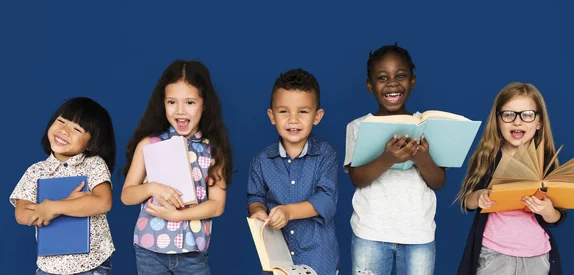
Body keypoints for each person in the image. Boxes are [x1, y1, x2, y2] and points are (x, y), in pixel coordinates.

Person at [121, 60, 233, 275]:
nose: (180, 111)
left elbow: (217, 206)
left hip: (193, 253)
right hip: (149, 249)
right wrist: (151, 187)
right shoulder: (149, 144)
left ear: (205, 104)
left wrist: (178, 216)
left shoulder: (214, 151)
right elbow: (127, 196)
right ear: (162, 103)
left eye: (190, 102)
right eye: (172, 102)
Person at [345, 44, 445, 275]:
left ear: (413, 81)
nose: (392, 83)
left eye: (400, 76)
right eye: (382, 78)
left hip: (418, 234)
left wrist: (422, 158)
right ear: (370, 85)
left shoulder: (426, 126)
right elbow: (357, 178)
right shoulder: (358, 127)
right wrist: (387, 158)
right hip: (370, 233)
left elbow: (439, 182)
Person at [456, 82, 565, 275]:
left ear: (539, 122)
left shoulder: (546, 162)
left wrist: (548, 211)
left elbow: (557, 216)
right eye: (508, 114)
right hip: (493, 254)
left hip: (537, 256)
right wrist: (480, 196)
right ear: (498, 120)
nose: (518, 122)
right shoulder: (487, 157)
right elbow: (467, 201)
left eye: (527, 115)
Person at [247, 68, 339, 274]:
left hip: (318, 258)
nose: (293, 119)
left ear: (317, 116)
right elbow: (255, 196)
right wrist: (258, 211)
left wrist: (288, 212)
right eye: (283, 111)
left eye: (303, 111)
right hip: (277, 258)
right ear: (272, 116)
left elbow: (326, 200)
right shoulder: (261, 160)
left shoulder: (325, 154)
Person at [10, 97, 116, 274]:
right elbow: (22, 214)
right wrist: (54, 208)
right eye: (61, 121)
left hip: (92, 263)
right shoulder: (36, 171)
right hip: (49, 266)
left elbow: (103, 202)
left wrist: (54, 207)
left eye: (77, 129)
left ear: (91, 143)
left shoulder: (94, 165)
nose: (64, 131)